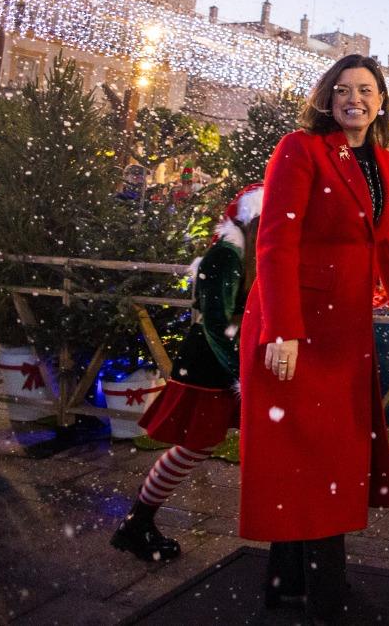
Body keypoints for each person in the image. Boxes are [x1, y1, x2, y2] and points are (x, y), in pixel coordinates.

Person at [238, 55, 389, 623]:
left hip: (344, 334)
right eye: (344, 89)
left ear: (381, 101)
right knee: (309, 457)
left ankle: (285, 582)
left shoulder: (384, 163)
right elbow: (275, 243)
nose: (356, 99)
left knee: (318, 453)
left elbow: (388, 242)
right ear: (327, 97)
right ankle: (325, 595)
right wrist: (284, 330)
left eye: (367, 90)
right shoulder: (301, 148)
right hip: (296, 329)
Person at [112, 185, 262, 563]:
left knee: (226, 444)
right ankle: (137, 521)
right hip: (212, 362)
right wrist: (240, 373)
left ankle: (288, 537)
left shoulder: (253, 254)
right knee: (196, 446)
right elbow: (214, 322)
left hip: (232, 359)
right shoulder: (226, 256)